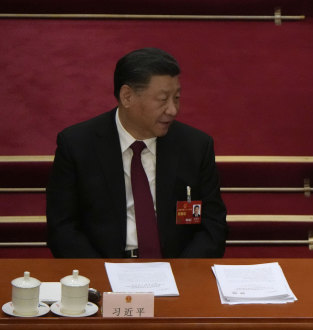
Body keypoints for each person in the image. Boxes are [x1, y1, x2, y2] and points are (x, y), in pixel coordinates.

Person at [47, 47, 228, 258]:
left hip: (176, 271)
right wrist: (101, 274)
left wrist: (182, 273)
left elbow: (213, 226)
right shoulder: (77, 145)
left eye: (176, 98)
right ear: (127, 97)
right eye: (162, 99)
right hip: (103, 270)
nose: (173, 110)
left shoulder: (195, 146)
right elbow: (62, 228)